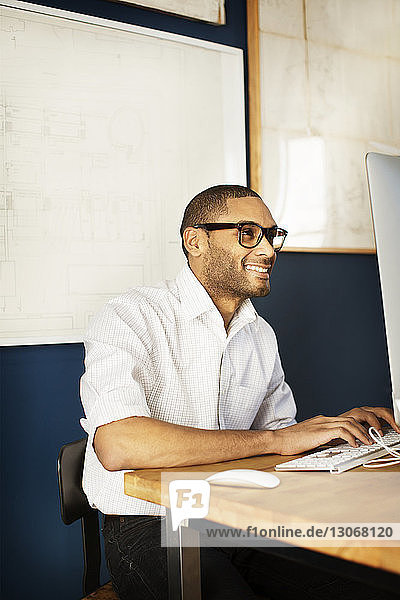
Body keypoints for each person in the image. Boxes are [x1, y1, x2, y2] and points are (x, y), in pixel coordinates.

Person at [80, 184, 399, 600]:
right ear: (195, 241)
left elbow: (281, 440)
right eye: (249, 234)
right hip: (152, 522)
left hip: (238, 518)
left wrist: (337, 433)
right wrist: (276, 439)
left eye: (271, 235)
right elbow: (118, 444)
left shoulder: (260, 334)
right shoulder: (129, 315)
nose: (268, 251)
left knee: (374, 589)